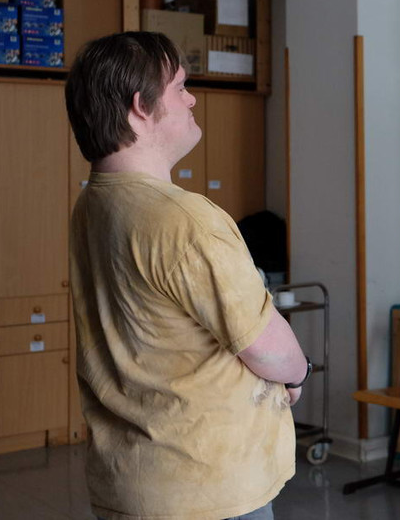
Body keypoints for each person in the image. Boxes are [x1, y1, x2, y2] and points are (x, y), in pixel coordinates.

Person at [65, 32, 309, 520]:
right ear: (141, 107)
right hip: (207, 489)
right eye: (180, 87)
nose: (192, 99)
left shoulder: (93, 203)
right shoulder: (183, 220)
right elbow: (266, 347)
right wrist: (298, 371)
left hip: (132, 482)